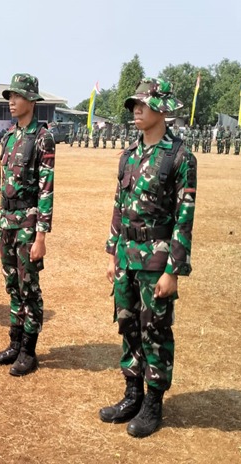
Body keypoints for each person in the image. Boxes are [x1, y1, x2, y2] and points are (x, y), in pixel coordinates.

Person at [100, 78, 197, 438]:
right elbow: (118, 206)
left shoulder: (180, 157)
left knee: (154, 331)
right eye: (133, 105)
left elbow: (184, 218)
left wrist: (173, 270)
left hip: (156, 261)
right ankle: (132, 394)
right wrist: (111, 253)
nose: (136, 110)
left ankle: (153, 403)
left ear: (163, 109)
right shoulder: (129, 155)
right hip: (126, 256)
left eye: (142, 104)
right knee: (127, 325)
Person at [0, 73, 55, 377]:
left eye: (16, 96)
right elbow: (3, 187)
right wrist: (0, 229)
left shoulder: (43, 138)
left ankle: (29, 350)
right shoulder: (9, 136)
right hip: (8, 221)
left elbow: (46, 189)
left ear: (31, 100)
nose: (11, 102)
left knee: (29, 287)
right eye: (9, 97)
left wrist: (41, 235)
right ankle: (14, 343)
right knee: (12, 286)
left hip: (28, 222)